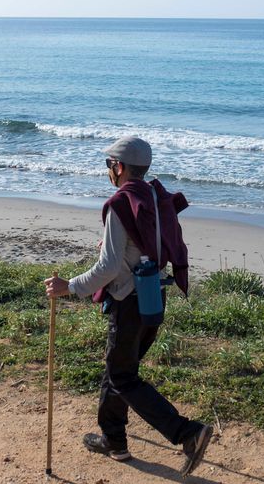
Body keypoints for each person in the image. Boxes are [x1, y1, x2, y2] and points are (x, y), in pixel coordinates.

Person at [44, 136, 212, 477]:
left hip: (130, 303)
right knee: (117, 370)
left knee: (122, 376)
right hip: (154, 299)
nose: (108, 171)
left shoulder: (121, 203)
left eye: (109, 165)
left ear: (118, 168)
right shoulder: (155, 197)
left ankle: (188, 433)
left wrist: (69, 287)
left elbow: (107, 268)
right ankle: (114, 440)